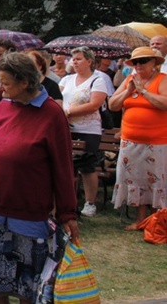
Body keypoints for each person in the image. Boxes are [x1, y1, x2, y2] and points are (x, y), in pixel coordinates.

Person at [0, 52, 79, 303]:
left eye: (5, 83)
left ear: (25, 83)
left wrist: (67, 213)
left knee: (27, 287)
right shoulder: (5, 106)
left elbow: (63, 168)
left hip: (26, 216)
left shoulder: (51, 114)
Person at [109, 46, 167, 230]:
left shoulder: (162, 80)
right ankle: (140, 219)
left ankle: (156, 220)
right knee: (136, 179)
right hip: (131, 141)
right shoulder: (129, 80)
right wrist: (128, 91)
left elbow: (165, 104)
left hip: (157, 141)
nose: (138, 65)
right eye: (135, 62)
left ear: (154, 64)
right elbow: (112, 105)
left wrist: (144, 92)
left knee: (157, 180)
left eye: (143, 61)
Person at [59, 46, 108, 218]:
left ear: (89, 61)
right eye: (73, 59)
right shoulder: (67, 79)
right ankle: (70, 201)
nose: (75, 61)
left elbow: (95, 104)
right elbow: (57, 99)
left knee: (87, 166)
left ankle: (90, 203)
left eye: (79, 58)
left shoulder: (97, 80)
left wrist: (69, 112)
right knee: (67, 166)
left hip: (88, 129)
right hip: (67, 128)